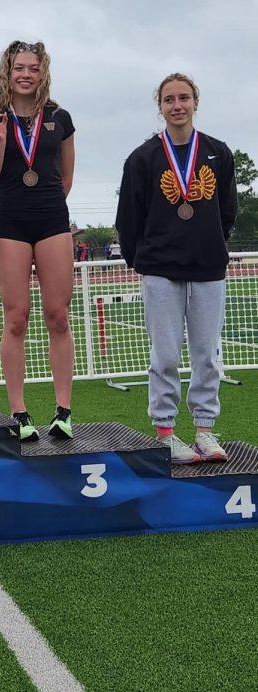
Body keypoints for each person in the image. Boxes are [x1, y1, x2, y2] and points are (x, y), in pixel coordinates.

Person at [116, 73, 237, 464]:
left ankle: (204, 430)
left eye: (184, 97)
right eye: (169, 99)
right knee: (165, 355)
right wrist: (141, 260)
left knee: (206, 354)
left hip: (207, 268)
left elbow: (227, 212)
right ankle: (166, 432)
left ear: (195, 102)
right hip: (160, 270)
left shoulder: (218, 152)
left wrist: (209, 244)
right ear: (161, 106)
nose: (177, 105)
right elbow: (129, 218)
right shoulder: (142, 158)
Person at [0, 40, 75, 441]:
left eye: (33, 68)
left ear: (42, 72)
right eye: (19, 68)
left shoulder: (60, 117)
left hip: (52, 220)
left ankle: (64, 410)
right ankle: (19, 412)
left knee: (58, 315)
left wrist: (45, 205)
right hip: (11, 223)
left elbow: (65, 179)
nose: (26, 74)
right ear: (8, 71)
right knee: (16, 318)